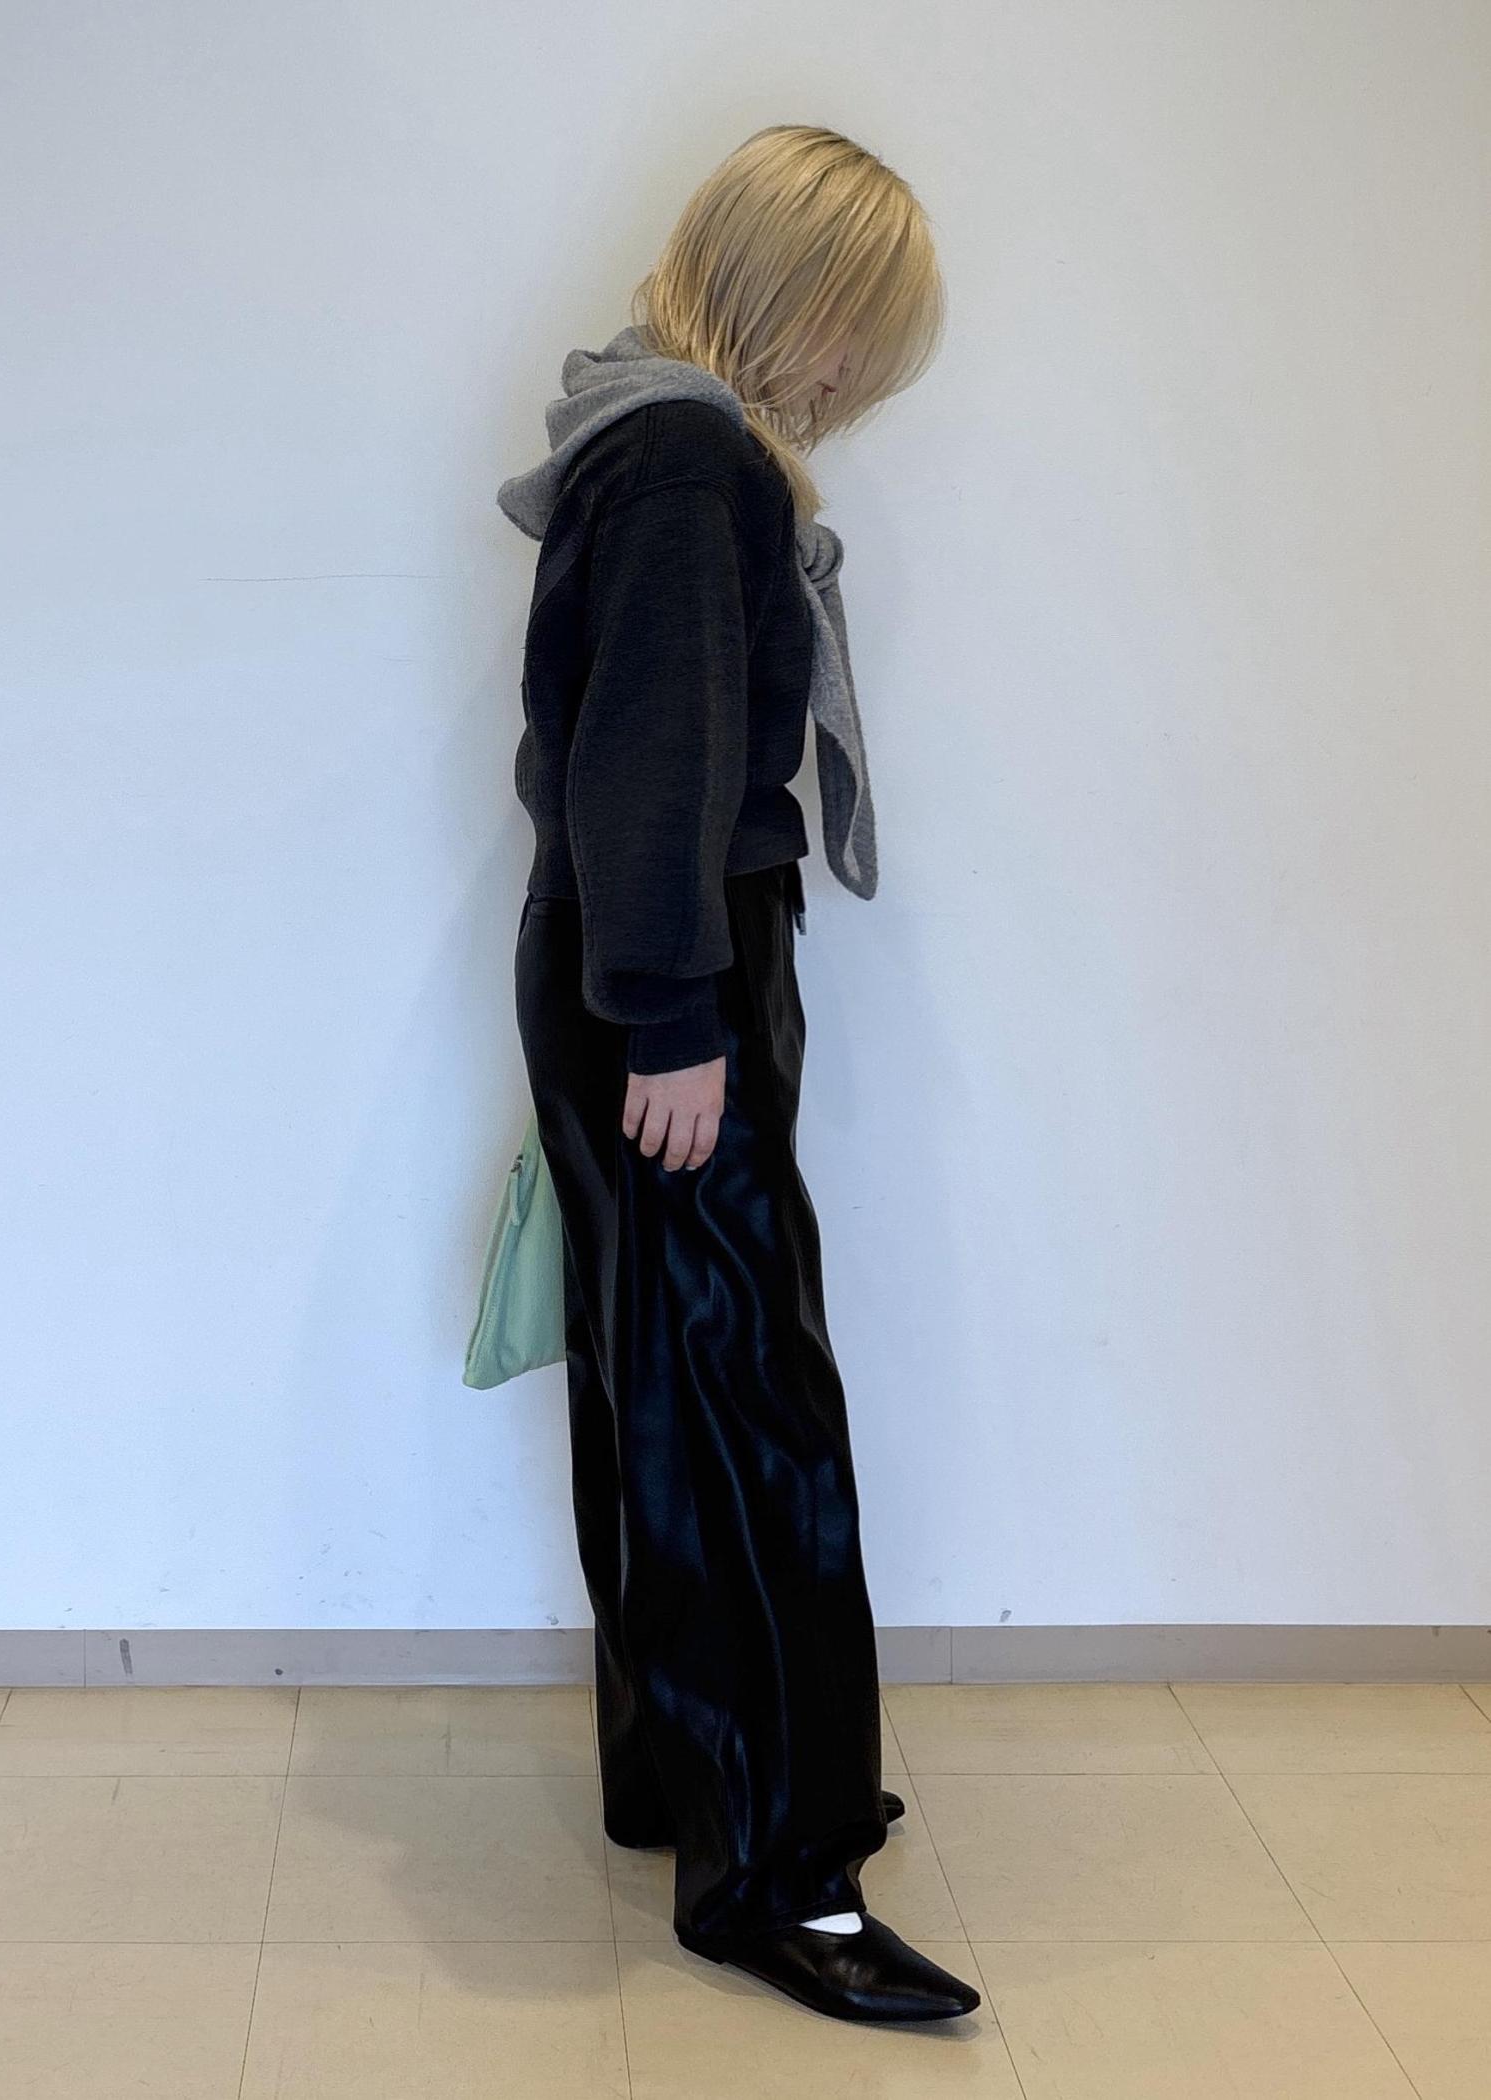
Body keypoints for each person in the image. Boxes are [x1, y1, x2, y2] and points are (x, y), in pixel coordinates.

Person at [500, 124, 977, 2024]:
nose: (859, 381)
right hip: (668, 969)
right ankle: (784, 1878)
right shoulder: (695, 463)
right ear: (804, 305)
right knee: (747, 1401)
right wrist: (679, 1018)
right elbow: (655, 757)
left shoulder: (650, 445)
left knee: (665, 1380)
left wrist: (655, 994)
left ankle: (687, 1777)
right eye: (862, 335)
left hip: (637, 959)